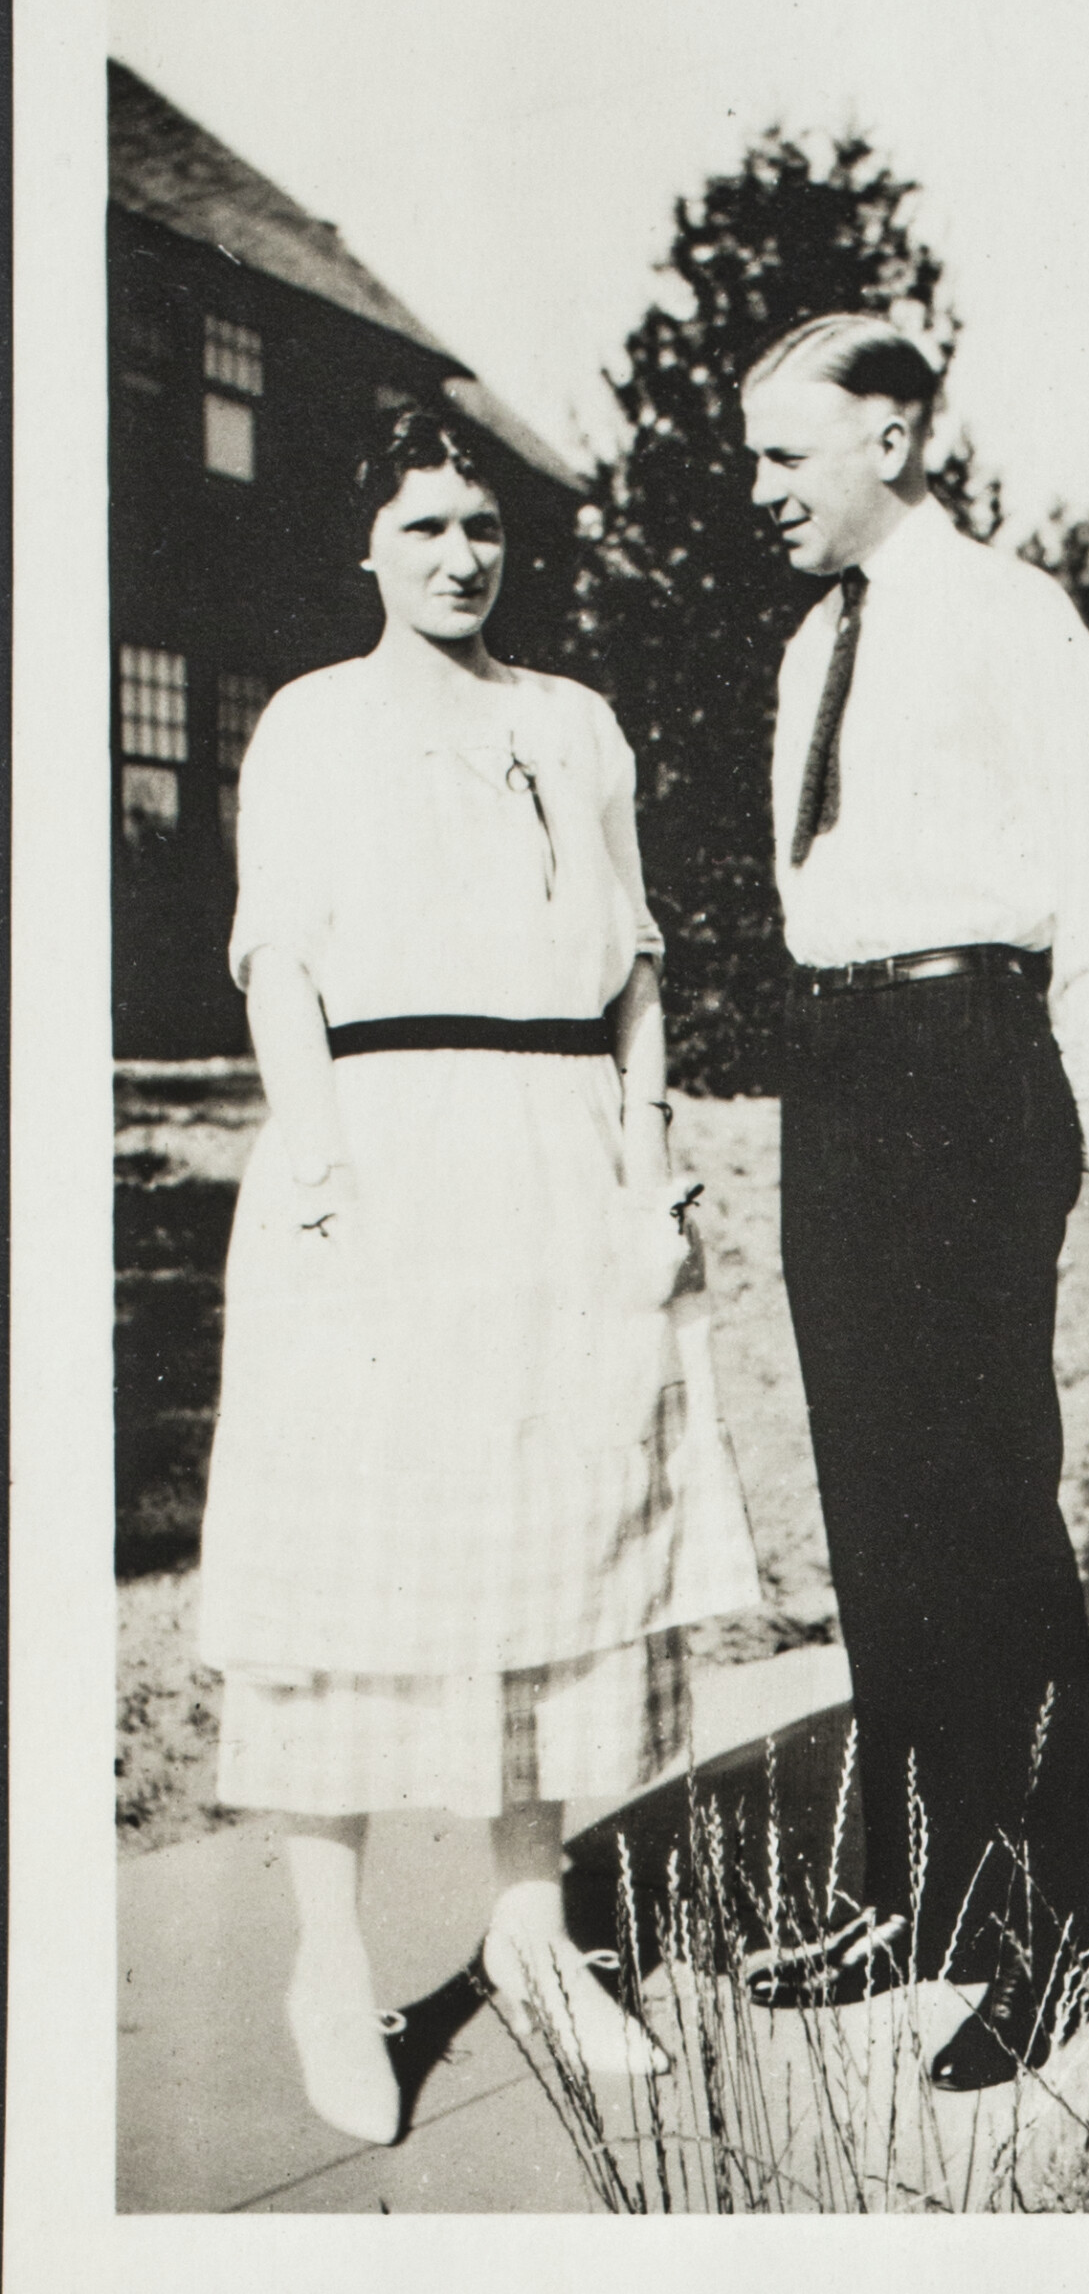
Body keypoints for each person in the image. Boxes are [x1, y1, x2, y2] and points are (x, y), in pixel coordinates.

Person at [197, 407, 760, 2145]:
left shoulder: (571, 723)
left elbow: (635, 959)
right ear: (366, 545)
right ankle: (326, 1959)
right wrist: (318, 1158)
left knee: (556, 1531)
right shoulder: (315, 721)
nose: (461, 556)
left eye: (485, 527)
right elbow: (280, 952)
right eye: (428, 526)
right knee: (356, 1550)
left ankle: (532, 1922)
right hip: (377, 1143)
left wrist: (643, 1144)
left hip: (558, 1145)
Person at [739, 316, 1089, 2090]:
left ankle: (1059, 1918)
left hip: (968, 1062)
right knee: (871, 1486)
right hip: (838, 1067)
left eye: (787, 454)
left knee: (984, 1495)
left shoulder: (1011, 615)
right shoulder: (807, 644)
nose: (760, 491)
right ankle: (921, 1889)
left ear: (894, 437)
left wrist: (1062, 1116)